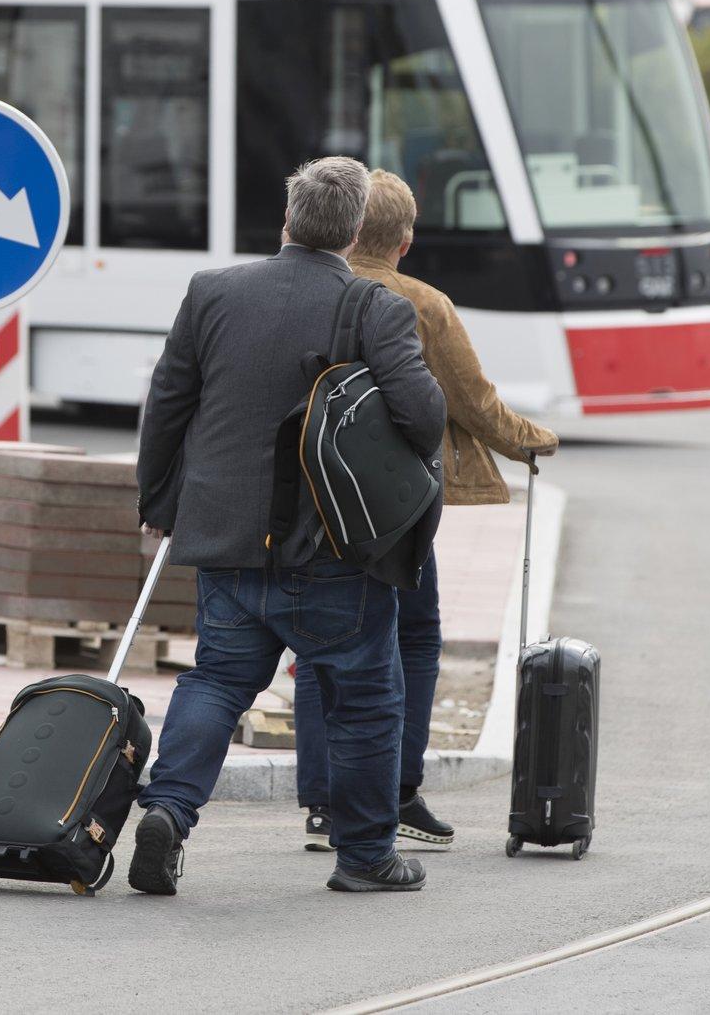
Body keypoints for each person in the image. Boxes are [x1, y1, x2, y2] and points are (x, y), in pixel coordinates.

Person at [132, 157, 447, 895]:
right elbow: (424, 418)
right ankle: (365, 857)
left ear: (287, 220)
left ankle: (169, 810)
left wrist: (159, 502)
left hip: (227, 541)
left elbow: (167, 404)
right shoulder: (376, 308)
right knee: (365, 698)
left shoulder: (212, 291)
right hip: (335, 546)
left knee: (217, 680)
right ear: (356, 231)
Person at [292, 170, 559, 852]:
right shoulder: (421, 303)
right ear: (404, 241)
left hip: (311, 496)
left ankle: (323, 804)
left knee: (321, 645)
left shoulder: (306, 288)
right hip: (391, 507)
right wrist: (533, 440)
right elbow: (473, 402)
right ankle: (397, 789)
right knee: (413, 637)